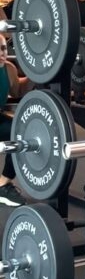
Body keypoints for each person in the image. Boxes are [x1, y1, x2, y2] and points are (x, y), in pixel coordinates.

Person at [0, 33, 32, 206]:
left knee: (19, 131)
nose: (2, 52)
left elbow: (18, 92)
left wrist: (36, 71)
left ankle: (3, 183)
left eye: (4, 48)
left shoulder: (9, 69)